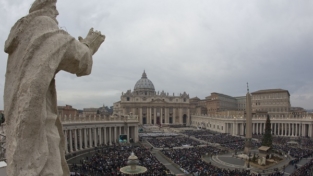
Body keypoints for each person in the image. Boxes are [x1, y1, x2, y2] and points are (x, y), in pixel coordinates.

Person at [3, 0, 105, 175]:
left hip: (20, 121)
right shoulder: (46, 30)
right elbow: (81, 60)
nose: (57, 14)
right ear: (45, 9)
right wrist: (89, 44)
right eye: (55, 9)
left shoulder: (21, 39)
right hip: (40, 125)